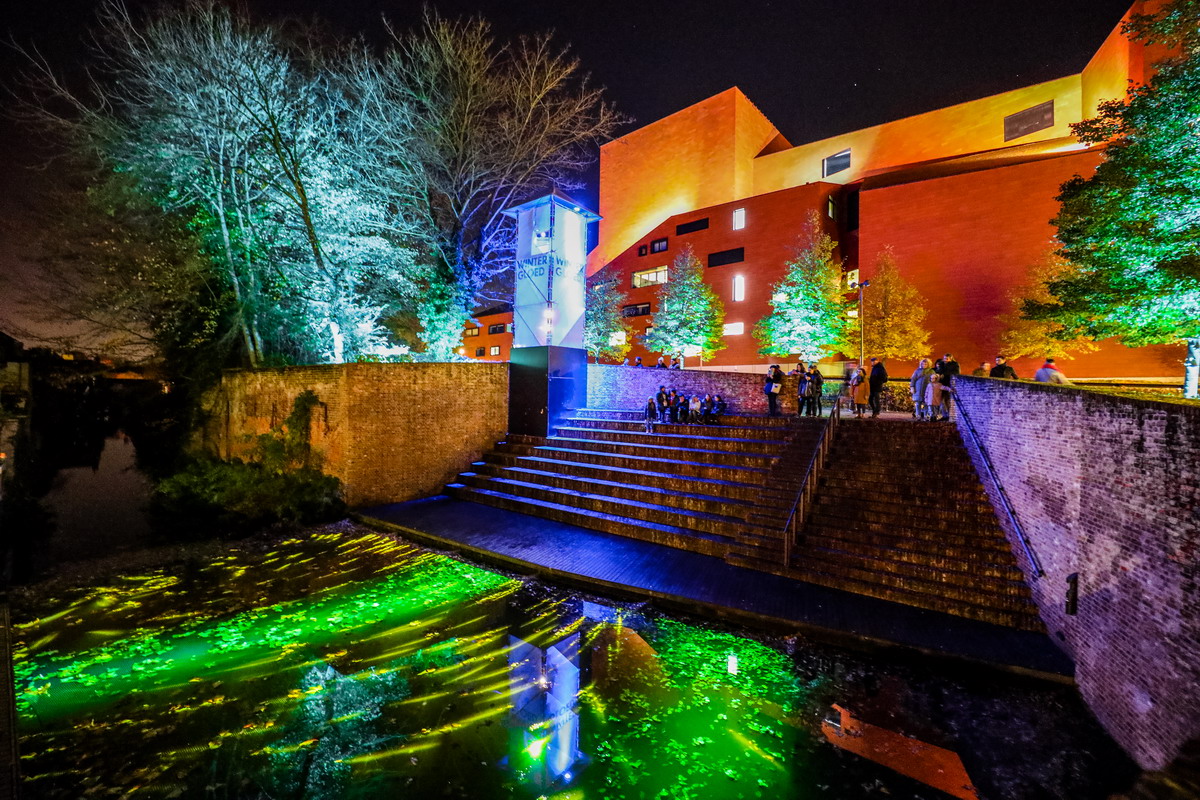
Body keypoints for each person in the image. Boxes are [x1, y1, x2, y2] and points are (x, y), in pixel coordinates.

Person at [935, 353, 960, 418]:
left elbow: (956, 373)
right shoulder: (941, 364)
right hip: (941, 383)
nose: (945, 360)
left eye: (947, 358)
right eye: (944, 358)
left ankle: (949, 415)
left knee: (948, 400)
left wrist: (944, 374)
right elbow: (938, 371)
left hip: (949, 383)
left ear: (951, 358)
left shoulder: (954, 365)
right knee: (941, 400)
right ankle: (944, 415)